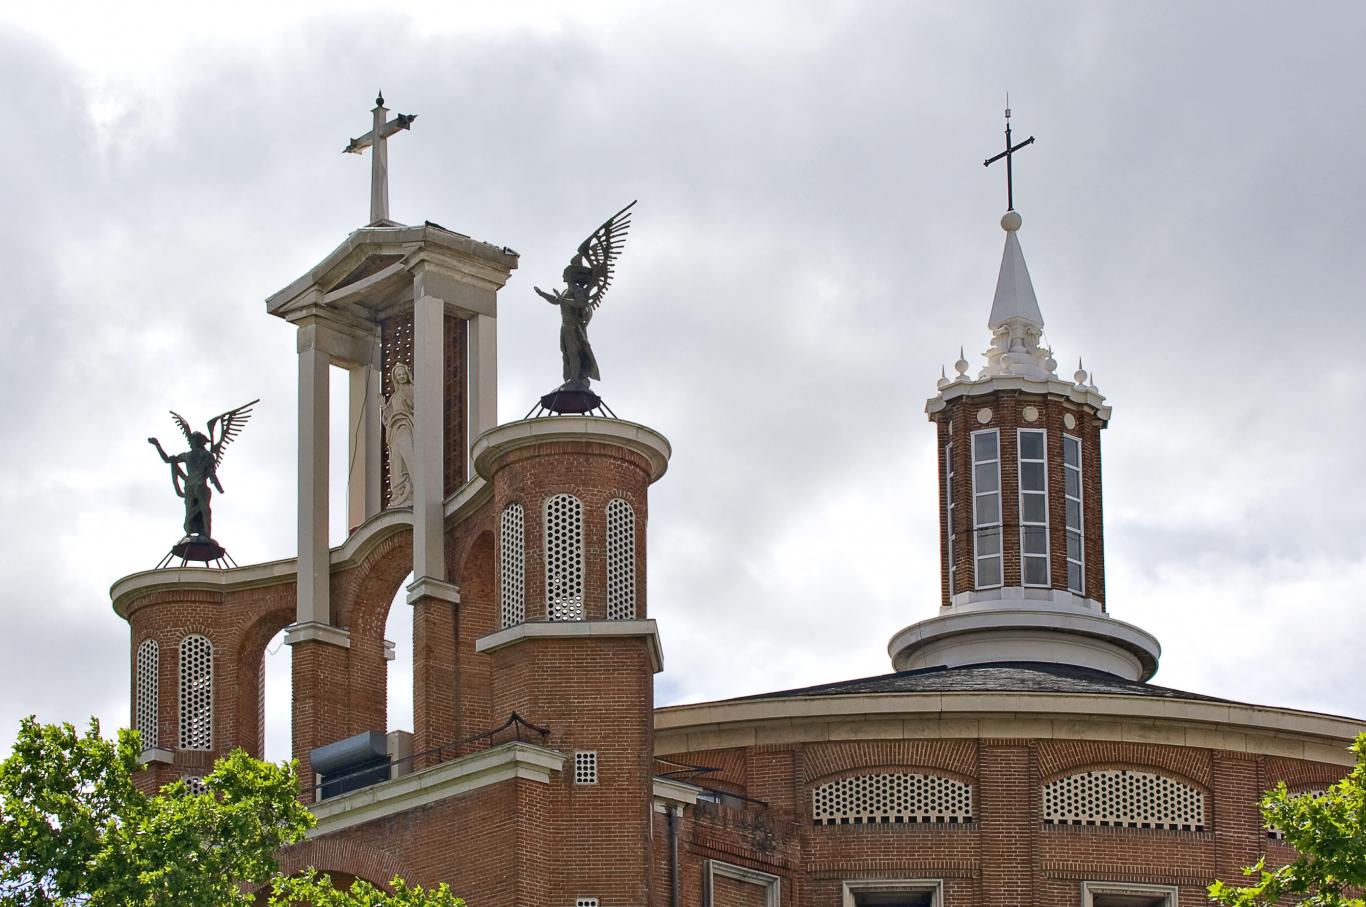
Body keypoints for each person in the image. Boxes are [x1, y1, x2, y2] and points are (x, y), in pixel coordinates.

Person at [536, 261, 601, 389]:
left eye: (564, 274)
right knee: (565, 352)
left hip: (573, 326)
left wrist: (563, 300)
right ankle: (571, 377)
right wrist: (542, 293)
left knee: (573, 352)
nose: (562, 277)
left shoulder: (577, 290)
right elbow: (556, 301)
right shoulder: (567, 290)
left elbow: (581, 303)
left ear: (570, 276)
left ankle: (576, 378)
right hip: (565, 326)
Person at [148, 432, 221, 539]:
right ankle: (204, 533)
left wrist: (157, 445)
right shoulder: (205, 455)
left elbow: (167, 459)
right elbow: (211, 473)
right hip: (199, 487)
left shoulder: (190, 455)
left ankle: (194, 531)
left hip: (191, 487)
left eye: (192, 440)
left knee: (194, 510)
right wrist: (219, 487)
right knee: (204, 510)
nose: (191, 443)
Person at [382, 362, 416, 507]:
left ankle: (414, 484)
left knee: (407, 453)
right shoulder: (395, 395)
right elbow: (388, 416)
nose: (401, 376)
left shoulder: (412, 389)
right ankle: (399, 491)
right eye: (398, 375)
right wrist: (384, 407)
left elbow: (417, 406)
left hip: (406, 425)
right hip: (394, 429)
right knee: (396, 458)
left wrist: (409, 402)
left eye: (402, 373)